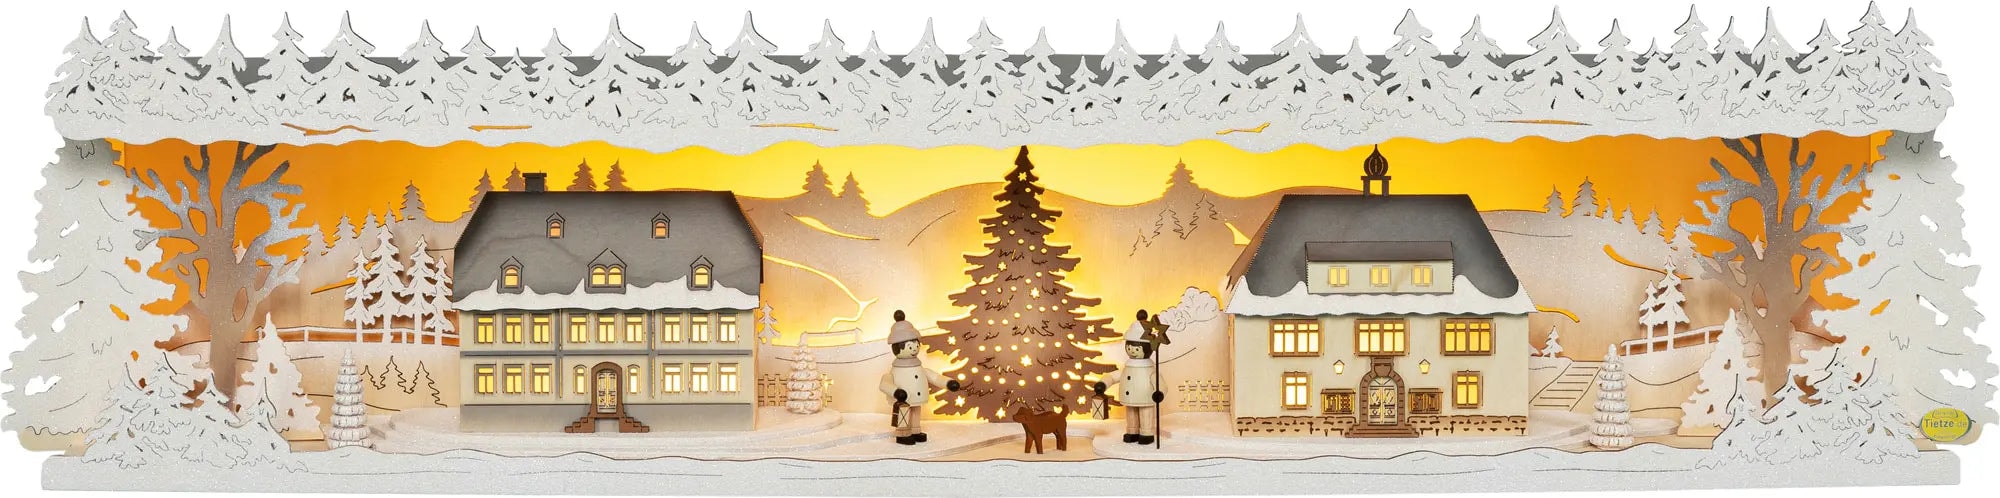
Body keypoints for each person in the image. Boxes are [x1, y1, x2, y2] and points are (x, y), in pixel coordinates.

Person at [877, 310, 960, 445]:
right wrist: (896, 391)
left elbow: (935, 377)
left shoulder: (920, 368)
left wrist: (948, 383)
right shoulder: (895, 371)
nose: (915, 349)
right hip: (903, 400)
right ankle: (902, 433)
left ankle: (915, 430)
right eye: (910, 347)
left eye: (916, 345)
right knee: (904, 413)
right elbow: (884, 383)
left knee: (916, 411)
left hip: (916, 398)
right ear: (897, 348)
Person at [1095, 310, 1164, 445]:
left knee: (1146, 414)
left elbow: (1158, 381)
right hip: (1130, 398)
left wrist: (1159, 392)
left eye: (1136, 349)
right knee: (1131, 414)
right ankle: (1132, 432)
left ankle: (1147, 433)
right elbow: (1113, 376)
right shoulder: (1127, 367)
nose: (1132, 351)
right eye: (1129, 348)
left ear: (1148, 348)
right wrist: (1103, 383)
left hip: (1146, 398)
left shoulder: (1149, 369)